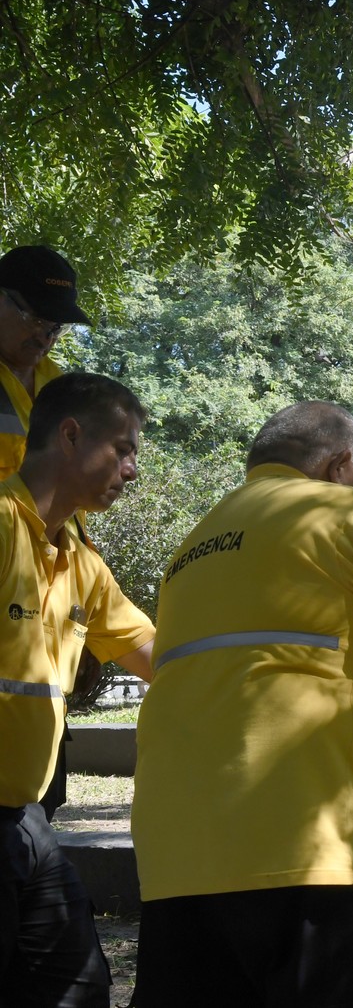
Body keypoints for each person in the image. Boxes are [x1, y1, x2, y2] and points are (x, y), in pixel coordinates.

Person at [131, 401, 353, 1008]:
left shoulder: (190, 551)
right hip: (309, 860)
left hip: (176, 870)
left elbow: (248, 691)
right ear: (341, 464)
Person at [0, 372, 156, 1007]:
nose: (132, 469)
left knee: (79, 988)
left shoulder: (81, 562)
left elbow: (161, 658)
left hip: (25, 820)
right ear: (69, 435)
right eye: (123, 449)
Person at [0, 245, 101, 820]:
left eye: (56, 324)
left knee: (43, 797)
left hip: (57, 604)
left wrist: (85, 617)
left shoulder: (63, 387)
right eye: (33, 315)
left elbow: (74, 502)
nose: (45, 334)